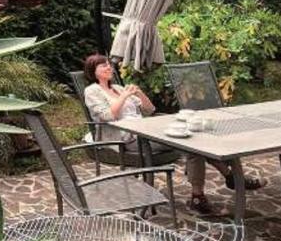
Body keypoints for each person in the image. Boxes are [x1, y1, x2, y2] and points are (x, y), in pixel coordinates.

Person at [81, 53, 263, 215]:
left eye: (108, 64)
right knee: (191, 146)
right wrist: (125, 97)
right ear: (93, 71)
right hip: (127, 139)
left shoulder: (119, 88)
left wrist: (139, 93)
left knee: (194, 140)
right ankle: (221, 181)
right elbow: (107, 115)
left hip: (145, 131)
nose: (108, 67)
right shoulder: (92, 91)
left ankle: (215, 185)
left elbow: (149, 109)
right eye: (103, 65)